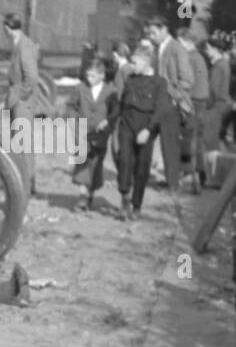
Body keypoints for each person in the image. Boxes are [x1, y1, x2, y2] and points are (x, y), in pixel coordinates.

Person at [116, 45, 172, 221]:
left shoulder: (159, 83)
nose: (132, 66)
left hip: (146, 127)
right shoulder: (130, 80)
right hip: (127, 125)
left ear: (146, 62)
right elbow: (122, 104)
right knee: (124, 160)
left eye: (135, 62)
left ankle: (136, 205)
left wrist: (148, 130)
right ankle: (125, 195)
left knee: (142, 168)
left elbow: (162, 108)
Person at [145, 16, 189, 194]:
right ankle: (144, 175)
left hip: (170, 105)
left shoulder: (177, 49)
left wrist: (174, 97)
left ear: (164, 29)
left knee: (169, 145)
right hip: (156, 103)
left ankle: (173, 184)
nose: (151, 36)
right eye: (149, 33)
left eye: (153, 33)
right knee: (145, 139)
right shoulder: (157, 49)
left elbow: (187, 80)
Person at [3, 12, 42, 195]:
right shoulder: (20, 43)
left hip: (23, 102)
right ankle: (24, 182)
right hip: (21, 100)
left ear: (7, 28)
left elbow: (32, 78)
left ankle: (27, 185)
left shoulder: (24, 46)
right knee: (19, 143)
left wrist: (17, 95)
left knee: (23, 144)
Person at [73, 58, 114, 213]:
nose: (89, 79)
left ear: (102, 75)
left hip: (100, 134)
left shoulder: (110, 91)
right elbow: (71, 106)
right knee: (82, 161)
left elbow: (114, 112)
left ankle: (90, 192)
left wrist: (108, 124)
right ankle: (82, 195)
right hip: (82, 130)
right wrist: (73, 120)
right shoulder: (80, 89)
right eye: (88, 75)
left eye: (93, 76)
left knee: (96, 163)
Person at [178, 26, 209, 188]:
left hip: (192, 102)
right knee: (197, 139)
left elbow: (187, 83)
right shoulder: (200, 57)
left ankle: (190, 174)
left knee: (189, 139)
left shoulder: (189, 58)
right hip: (201, 101)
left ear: (186, 41)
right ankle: (201, 171)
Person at [201, 36, 231, 182]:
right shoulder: (222, 64)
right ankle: (214, 175)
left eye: (208, 48)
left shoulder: (218, 66)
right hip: (220, 105)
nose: (206, 51)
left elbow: (213, 89)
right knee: (213, 141)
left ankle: (213, 177)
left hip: (214, 107)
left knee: (210, 141)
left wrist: (205, 104)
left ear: (215, 49)